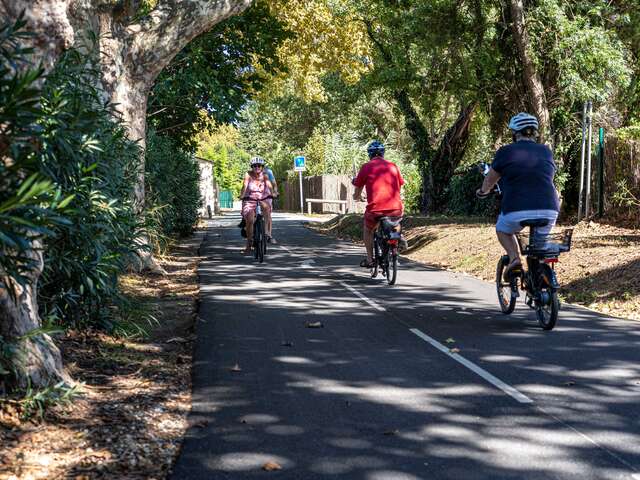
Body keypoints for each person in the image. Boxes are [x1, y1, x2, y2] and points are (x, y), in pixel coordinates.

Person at [476, 112, 560, 277]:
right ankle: (541, 275)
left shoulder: (505, 152)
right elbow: (547, 176)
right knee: (538, 248)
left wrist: (482, 192)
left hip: (516, 208)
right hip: (549, 209)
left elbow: (490, 180)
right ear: (534, 132)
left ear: (515, 134)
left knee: (502, 229)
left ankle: (515, 259)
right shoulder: (546, 151)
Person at [352, 140, 404, 268]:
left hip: (376, 210)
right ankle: (396, 240)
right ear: (383, 153)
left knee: (368, 229)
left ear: (369, 154)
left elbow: (358, 188)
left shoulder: (366, 167)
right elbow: (400, 185)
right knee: (396, 223)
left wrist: (356, 197)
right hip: (395, 208)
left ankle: (370, 260)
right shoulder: (393, 166)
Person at [239, 157, 275, 253]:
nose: (257, 167)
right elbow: (245, 185)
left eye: (259, 166)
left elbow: (269, 184)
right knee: (250, 219)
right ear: (252, 167)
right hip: (250, 200)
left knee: (267, 208)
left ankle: (267, 232)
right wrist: (242, 195)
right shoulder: (248, 174)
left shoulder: (265, 175)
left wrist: (273, 193)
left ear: (262, 167)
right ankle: (249, 243)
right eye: (255, 166)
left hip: (262, 199)